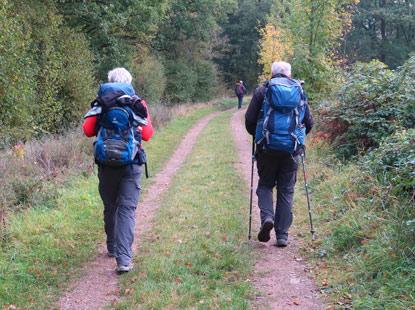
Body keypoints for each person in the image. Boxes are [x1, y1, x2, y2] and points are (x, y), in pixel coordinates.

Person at [83, 68, 153, 272]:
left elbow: (88, 131)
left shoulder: (101, 101)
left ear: (110, 81)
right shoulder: (137, 102)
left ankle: (112, 247)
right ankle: (123, 260)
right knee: (126, 209)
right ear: (129, 82)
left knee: (111, 206)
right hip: (131, 165)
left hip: (106, 164)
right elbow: (147, 134)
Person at [245, 61, 314, 247]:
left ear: (272, 74)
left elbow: (250, 120)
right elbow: (309, 122)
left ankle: (267, 217)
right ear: (289, 75)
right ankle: (282, 235)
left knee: (266, 185)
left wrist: (259, 138)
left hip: (266, 148)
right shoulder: (299, 90)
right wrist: (297, 141)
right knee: (286, 190)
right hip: (291, 150)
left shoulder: (262, 91)